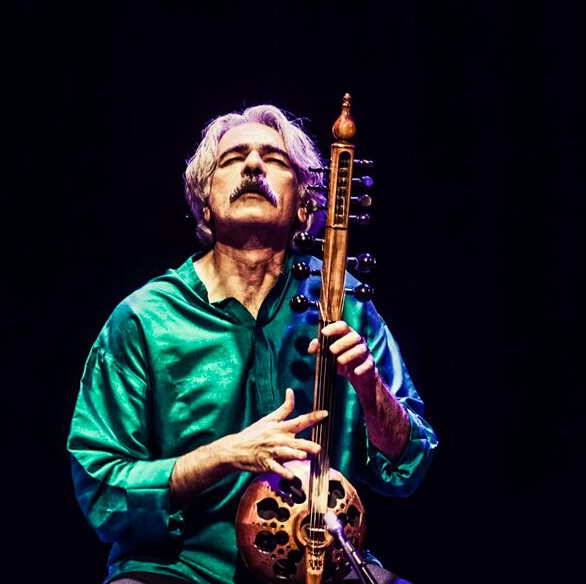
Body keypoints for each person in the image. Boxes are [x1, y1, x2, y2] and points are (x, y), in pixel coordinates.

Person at [68, 104, 438, 583]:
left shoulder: (341, 305)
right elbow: (100, 486)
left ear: (306, 203)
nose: (253, 166)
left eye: (274, 159)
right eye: (233, 158)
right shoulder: (145, 319)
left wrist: (370, 391)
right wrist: (223, 454)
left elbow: (412, 463)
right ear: (204, 202)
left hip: (319, 563)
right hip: (181, 568)